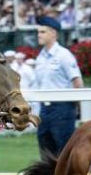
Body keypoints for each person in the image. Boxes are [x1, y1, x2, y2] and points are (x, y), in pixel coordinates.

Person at [33, 16, 83, 157]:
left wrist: (75, 108)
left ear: (53, 33)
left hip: (62, 109)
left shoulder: (64, 55)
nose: (39, 35)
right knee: (45, 151)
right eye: (38, 32)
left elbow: (77, 82)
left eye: (42, 32)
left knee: (63, 152)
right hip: (44, 110)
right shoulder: (40, 57)